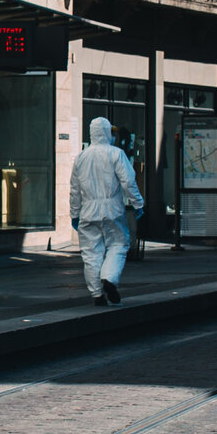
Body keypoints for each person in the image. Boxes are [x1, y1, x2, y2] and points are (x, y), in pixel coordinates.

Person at [68, 116, 142, 306]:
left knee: (91, 253)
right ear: (108, 132)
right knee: (118, 244)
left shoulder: (81, 157)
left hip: (88, 210)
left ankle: (97, 294)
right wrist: (138, 204)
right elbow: (128, 181)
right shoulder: (116, 154)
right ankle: (109, 279)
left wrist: (74, 214)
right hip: (112, 209)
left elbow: (75, 190)